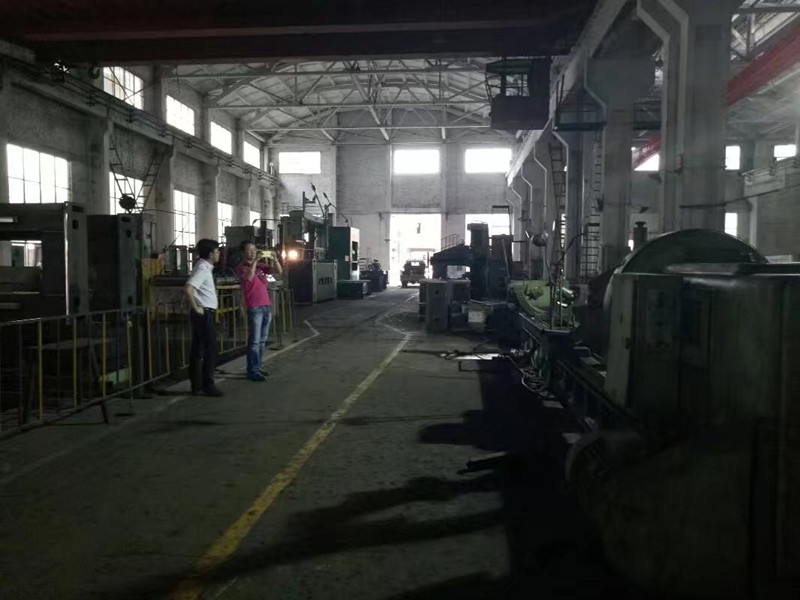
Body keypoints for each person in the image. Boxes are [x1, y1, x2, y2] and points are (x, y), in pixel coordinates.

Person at [237, 241, 282, 382]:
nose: (252, 252)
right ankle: (252, 371)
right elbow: (249, 277)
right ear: (243, 253)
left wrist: (275, 259)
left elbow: (278, 271)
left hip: (266, 305)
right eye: (249, 250)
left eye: (254, 249)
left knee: (262, 340)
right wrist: (256, 261)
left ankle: (257, 366)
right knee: (255, 341)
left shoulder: (261, 266)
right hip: (254, 307)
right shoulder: (242, 267)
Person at [183, 238, 224, 397]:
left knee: (198, 348)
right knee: (210, 348)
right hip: (203, 313)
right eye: (217, 251)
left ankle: (197, 385)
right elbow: (188, 288)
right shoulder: (202, 268)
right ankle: (208, 385)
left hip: (204, 312)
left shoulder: (204, 267)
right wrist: (196, 308)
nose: (219, 254)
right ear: (210, 254)